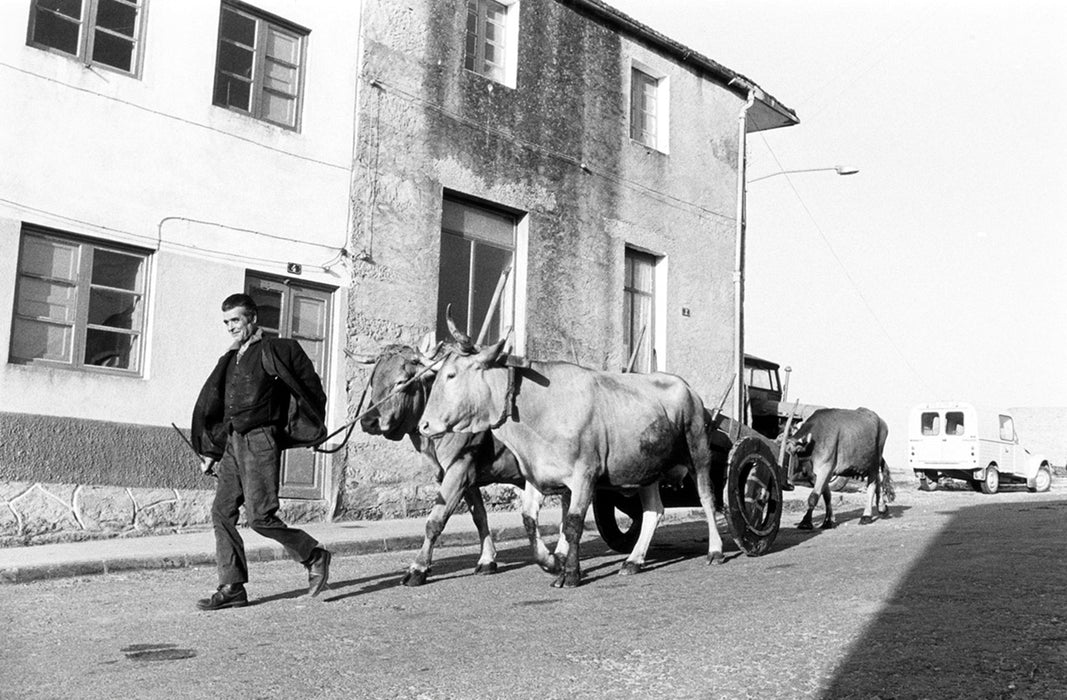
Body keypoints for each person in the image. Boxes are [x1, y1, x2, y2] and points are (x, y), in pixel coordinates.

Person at [190, 293, 332, 610]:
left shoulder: (278, 350)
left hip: (260, 440)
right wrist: (213, 450)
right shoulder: (229, 359)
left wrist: (303, 427)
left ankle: (313, 554)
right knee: (221, 512)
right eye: (226, 322)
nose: (230, 327)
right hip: (232, 443)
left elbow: (311, 390)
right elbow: (220, 408)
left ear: (252, 319)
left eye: (235, 320)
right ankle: (232, 587)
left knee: (260, 518)